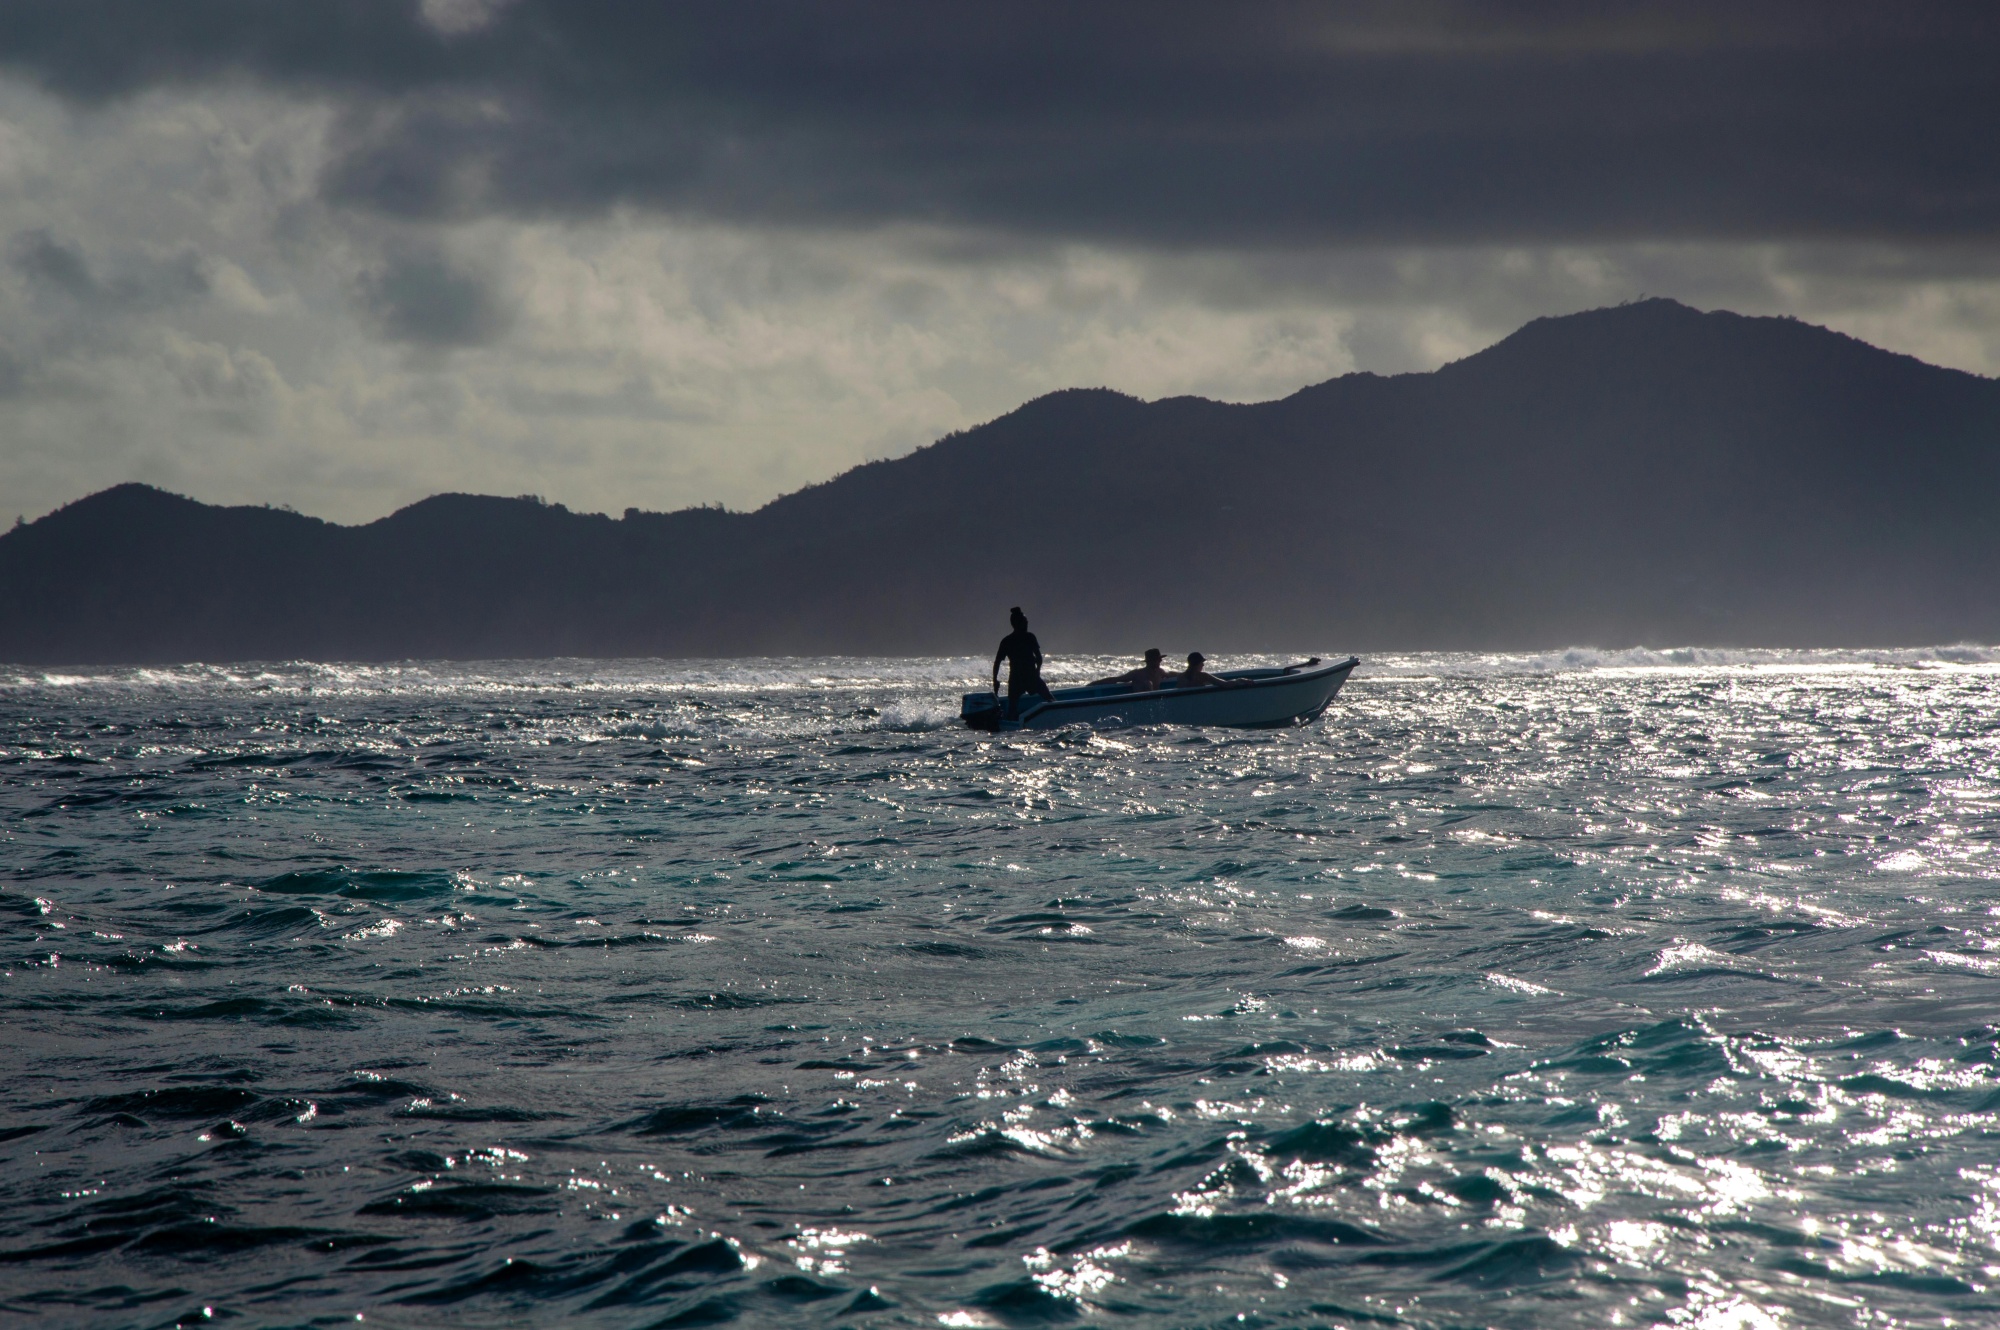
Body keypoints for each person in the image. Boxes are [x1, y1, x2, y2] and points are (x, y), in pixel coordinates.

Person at [992, 607, 1054, 717]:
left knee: (1012, 708)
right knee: (1050, 699)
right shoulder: (1028, 637)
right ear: (1017, 623)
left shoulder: (1007, 640)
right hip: (1028, 677)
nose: (1027, 623)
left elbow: (997, 662)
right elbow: (1039, 658)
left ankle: (1011, 722)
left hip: (1019, 678)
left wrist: (995, 680)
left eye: (1026, 621)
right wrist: (1037, 672)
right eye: (1025, 621)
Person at [1092, 648, 1169, 691]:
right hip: (1140, 704)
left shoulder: (1160, 672)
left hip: (1155, 704)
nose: (1161, 661)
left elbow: (1170, 674)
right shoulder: (1137, 674)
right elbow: (1115, 679)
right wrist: (1093, 684)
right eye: (1158, 659)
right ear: (1150, 661)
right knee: (1148, 683)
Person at [1171, 651, 1243, 688]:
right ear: (1197, 664)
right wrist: (1240, 680)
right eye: (1202, 662)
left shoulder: (1180, 677)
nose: (1203, 665)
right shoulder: (1203, 676)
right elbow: (1225, 684)